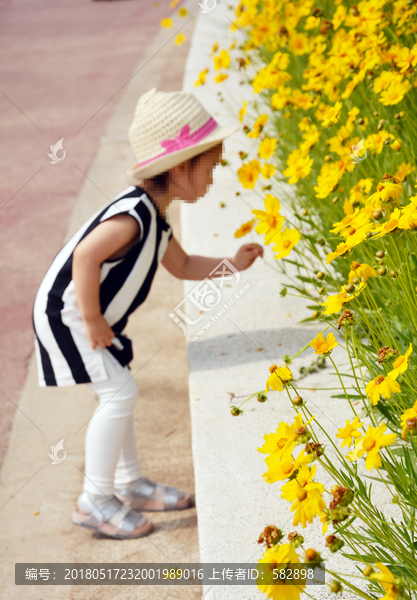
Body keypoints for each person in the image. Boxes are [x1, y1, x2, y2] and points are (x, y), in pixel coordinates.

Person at [32, 88, 263, 539]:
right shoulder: (134, 217)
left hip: (87, 315)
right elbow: (85, 257)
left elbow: (182, 265)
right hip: (70, 314)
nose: (213, 179)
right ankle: (95, 501)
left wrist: (232, 263)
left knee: (117, 392)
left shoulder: (155, 218)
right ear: (180, 169)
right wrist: (94, 319)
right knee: (120, 393)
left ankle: (129, 484)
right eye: (209, 168)